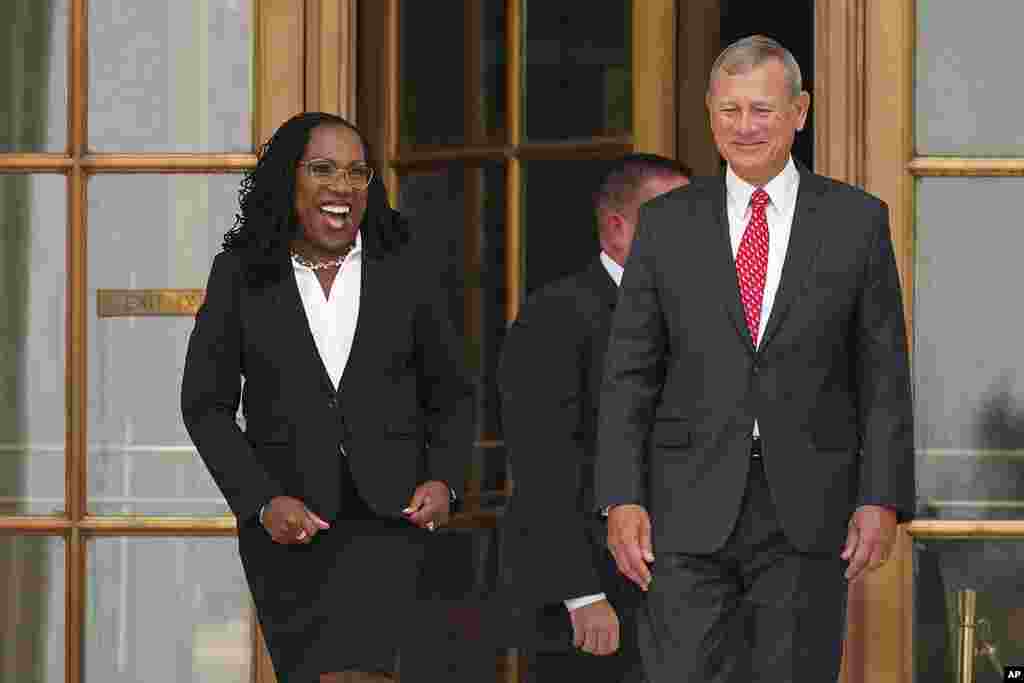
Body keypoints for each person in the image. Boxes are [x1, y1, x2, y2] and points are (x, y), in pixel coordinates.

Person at [595, 35, 915, 682]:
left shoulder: (857, 221)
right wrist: (621, 494)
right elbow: (630, 370)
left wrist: (880, 493)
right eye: (730, 109)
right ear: (710, 111)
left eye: (763, 110)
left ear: (800, 111)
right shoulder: (665, 222)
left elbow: (882, 372)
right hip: (683, 505)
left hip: (807, 503)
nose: (745, 127)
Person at [181, 112, 473, 682]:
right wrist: (262, 501)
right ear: (289, 179)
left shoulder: (407, 266)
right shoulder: (242, 274)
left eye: (356, 172)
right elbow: (205, 405)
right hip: (292, 530)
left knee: (364, 673)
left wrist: (444, 478)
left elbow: (454, 392)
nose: (341, 187)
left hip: (393, 524)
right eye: (322, 169)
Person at [500, 154, 691, 682]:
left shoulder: (699, 314)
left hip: (683, 596)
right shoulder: (557, 316)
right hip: (592, 592)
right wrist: (581, 594)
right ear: (617, 227)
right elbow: (543, 462)